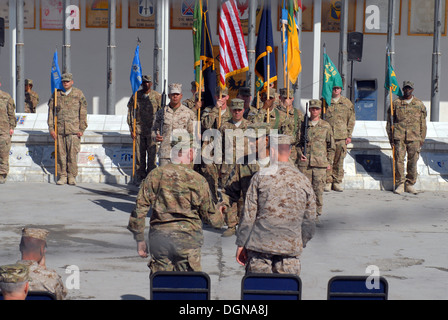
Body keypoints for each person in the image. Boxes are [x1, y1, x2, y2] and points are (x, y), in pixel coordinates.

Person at [127, 135, 224, 274]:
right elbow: (212, 219)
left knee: (161, 285)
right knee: (187, 287)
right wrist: (220, 214)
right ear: (190, 153)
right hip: (188, 240)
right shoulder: (198, 180)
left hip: (160, 239)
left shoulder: (156, 175)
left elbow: (139, 208)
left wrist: (139, 239)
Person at [235, 134, 316, 275]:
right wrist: (297, 241)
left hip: (260, 248)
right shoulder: (304, 181)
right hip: (289, 249)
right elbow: (310, 220)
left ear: (271, 151)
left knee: (257, 292)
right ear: (290, 151)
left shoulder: (260, 177)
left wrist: (241, 243)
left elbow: (248, 216)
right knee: (286, 293)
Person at [219, 122, 270, 237]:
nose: (250, 143)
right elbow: (230, 192)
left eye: (255, 139)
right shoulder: (243, 163)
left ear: (266, 140)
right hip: (249, 227)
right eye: (250, 139)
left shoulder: (280, 165)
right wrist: (223, 205)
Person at [386, 81, 427, 195]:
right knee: (399, 160)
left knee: (413, 161)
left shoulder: (419, 104)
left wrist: (422, 138)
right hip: (399, 137)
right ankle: (400, 183)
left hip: (414, 138)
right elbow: (390, 122)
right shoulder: (396, 103)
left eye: (409, 88)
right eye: (405, 88)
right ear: (403, 89)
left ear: (412, 90)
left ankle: (410, 184)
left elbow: (423, 123)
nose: (407, 90)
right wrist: (391, 139)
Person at [47, 73, 88, 186]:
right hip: (59, 130)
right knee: (61, 154)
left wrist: (82, 128)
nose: (65, 83)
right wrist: (51, 128)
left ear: (72, 82)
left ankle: (72, 176)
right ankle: (63, 176)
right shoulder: (56, 95)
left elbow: (83, 112)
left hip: (74, 130)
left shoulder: (78, 94)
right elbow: (51, 113)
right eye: (64, 81)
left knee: (72, 155)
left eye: (68, 81)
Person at [297, 100, 335, 218]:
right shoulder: (304, 125)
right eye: (312, 109)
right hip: (305, 164)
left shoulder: (325, 126)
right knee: (304, 191)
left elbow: (331, 146)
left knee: (318, 191)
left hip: (320, 164)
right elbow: (297, 144)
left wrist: (329, 162)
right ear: (309, 110)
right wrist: (299, 154)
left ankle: (316, 214)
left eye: (317, 109)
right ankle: (305, 213)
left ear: (320, 110)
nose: (314, 111)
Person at [127, 75, 161, 184]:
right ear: (141, 84)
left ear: (151, 84)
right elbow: (131, 113)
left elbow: (162, 114)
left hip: (152, 131)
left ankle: (150, 180)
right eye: (144, 82)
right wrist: (132, 129)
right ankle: (140, 178)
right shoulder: (136, 96)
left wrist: (160, 130)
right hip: (139, 131)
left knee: (152, 157)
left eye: (148, 82)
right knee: (139, 156)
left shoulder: (157, 96)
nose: (146, 84)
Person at [152, 83, 196, 167]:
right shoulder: (161, 113)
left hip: (182, 154)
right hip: (166, 155)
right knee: (164, 179)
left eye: (177, 94)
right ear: (169, 96)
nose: (175, 96)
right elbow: (153, 130)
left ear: (181, 96)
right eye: (173, 94)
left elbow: (193, 134)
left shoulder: (189, 113)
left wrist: (191, 151)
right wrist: (155, 137)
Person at [16, 227, 67, 300]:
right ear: (41, 249)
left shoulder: (3, 275)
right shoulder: (52, 278)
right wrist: (43, 269)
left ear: (20, 247)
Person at [324, 85, 356, 192]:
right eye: (333, 88)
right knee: (328, 160)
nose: (335, 90)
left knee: (339, 160)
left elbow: (351, 120)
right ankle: (328, 181)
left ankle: (337, 182)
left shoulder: (347, 103)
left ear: (341, 89)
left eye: (338, 88)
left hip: (341, 137)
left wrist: (349, 135)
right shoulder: (325, 101)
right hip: (328, 137)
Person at [0, 80, 17, 185]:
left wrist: (12, 127)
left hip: (3, 130)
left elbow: (11, 114)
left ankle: (2, 174)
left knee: (3, 153)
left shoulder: (6, 97)